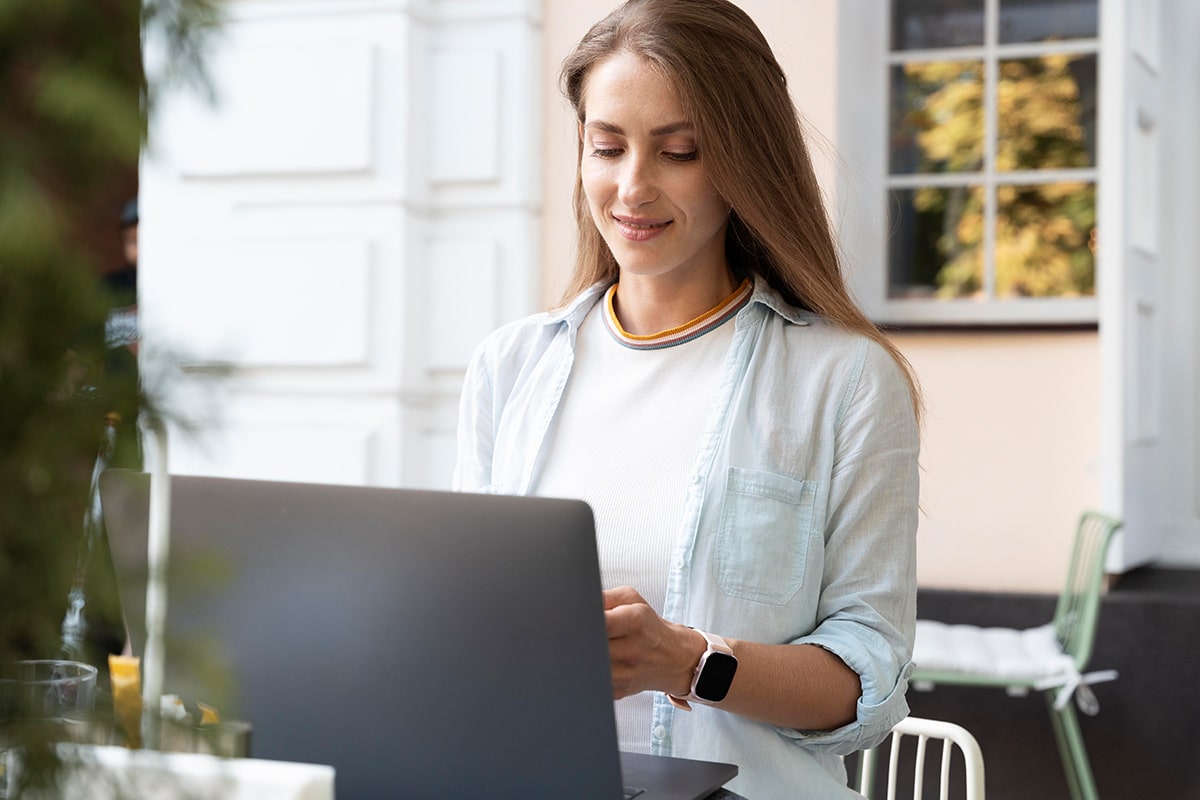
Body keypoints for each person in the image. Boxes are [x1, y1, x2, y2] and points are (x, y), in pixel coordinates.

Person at [452, 1, 921, 797]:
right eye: (606, 147)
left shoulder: (845, 381)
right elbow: (469, 620)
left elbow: (868, 681)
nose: (632, 188)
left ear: (744, 163)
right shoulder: (510, 368)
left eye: (679, 152)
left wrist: (692, 663)